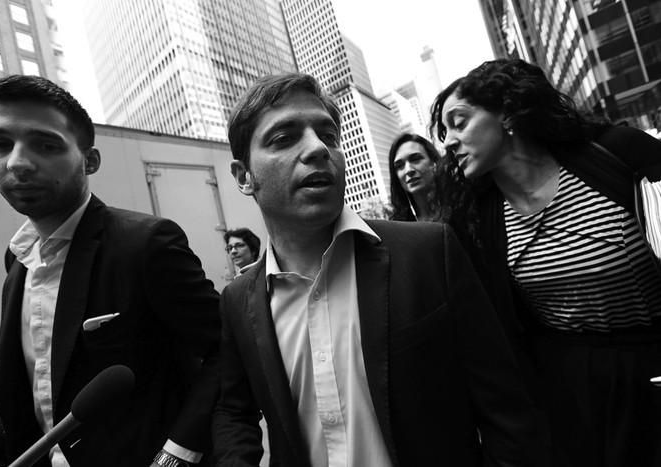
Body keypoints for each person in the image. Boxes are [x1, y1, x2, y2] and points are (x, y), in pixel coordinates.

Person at [211, 72, 548, 466]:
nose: (318, 148)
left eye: (328, 135)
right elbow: (233, 412)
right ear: (243, 176)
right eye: (284, 139)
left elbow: (508, 412)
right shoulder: (237, 302)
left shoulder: (428, 253)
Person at [0, 75, 221, 467]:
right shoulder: (16, 260)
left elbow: (225, 351)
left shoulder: (146, 243)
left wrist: (178, 453)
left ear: (90, 160)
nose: (17, 162)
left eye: (46, 145)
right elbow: (27, 383)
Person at [430, 58, 661, 467]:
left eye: (459, 121)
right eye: (444, 132)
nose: (449, 141)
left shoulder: (619, 154)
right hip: (578, 403)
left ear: (506, 112)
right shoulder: (479, 225)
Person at [388, 132, 441, 221]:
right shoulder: (399, 228)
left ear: (433, 162)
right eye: (400, 166)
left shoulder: (462, 206)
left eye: (415, 159)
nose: (408, 170)